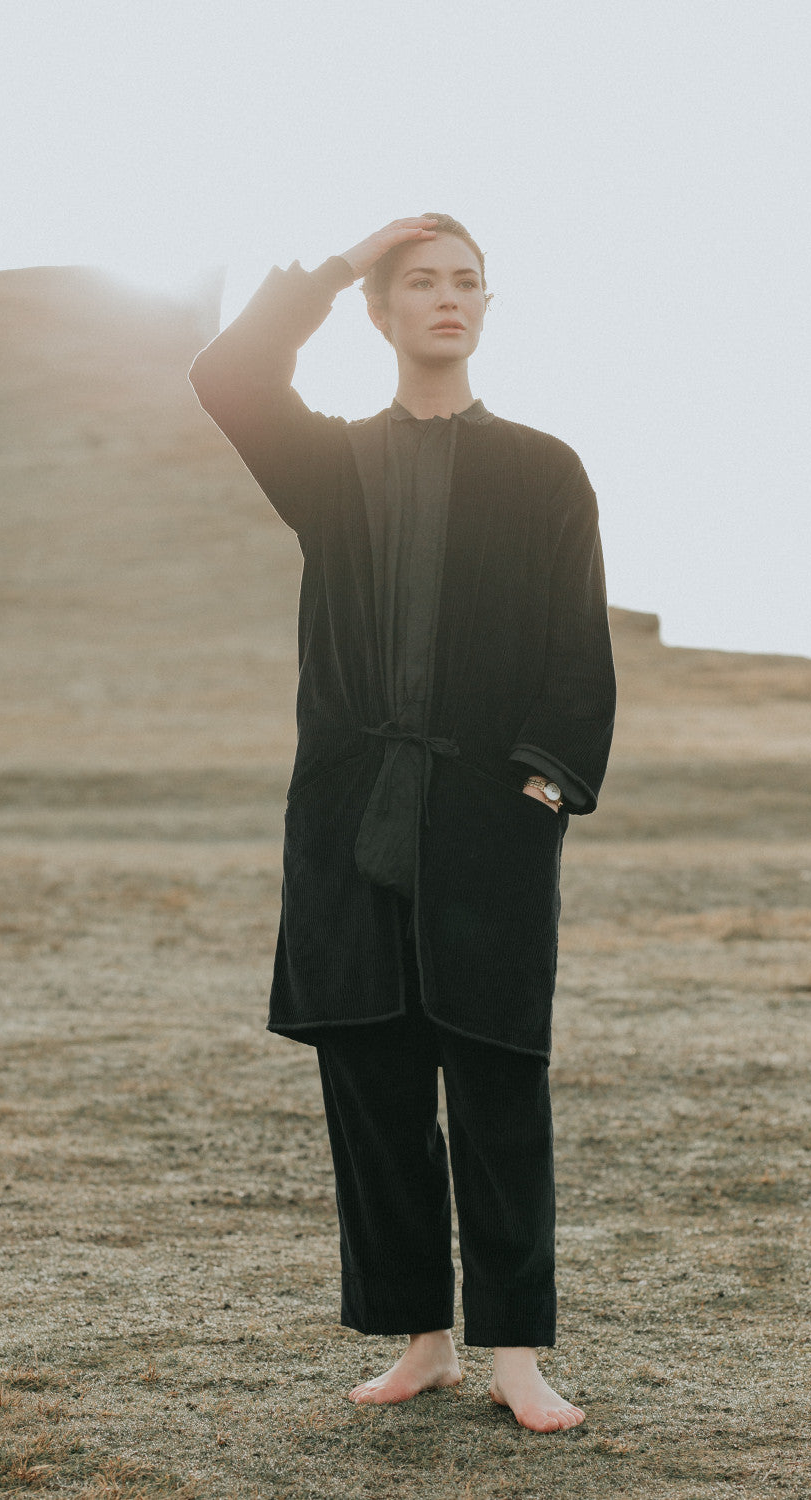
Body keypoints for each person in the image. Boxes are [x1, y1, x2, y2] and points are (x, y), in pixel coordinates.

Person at [189, 215, 615, 1433]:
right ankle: (421, 1338)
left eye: (467, 282)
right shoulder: (330, 466)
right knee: (373, 1091)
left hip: (489, 832)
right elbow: (227, 377)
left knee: (496, 1086)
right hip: (350, 826)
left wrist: (535, 798)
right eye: (420, 283)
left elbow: (577, 660)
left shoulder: (545, 469)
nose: (448, 299)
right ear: (379, 313)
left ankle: (518, 1354)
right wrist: (330, 266)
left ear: (490, 305)